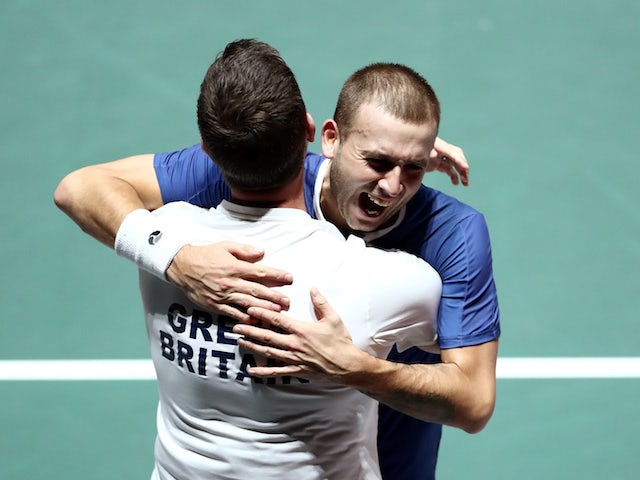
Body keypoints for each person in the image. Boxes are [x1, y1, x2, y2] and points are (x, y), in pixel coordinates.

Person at [54, 46, 500, 480]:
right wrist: (176, 260)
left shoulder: (453, 234)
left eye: (414, 168)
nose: (392, 187)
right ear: (328, 138)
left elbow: (474, 401)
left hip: (395, 449)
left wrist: (355, 368)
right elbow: (82, 188)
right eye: (377, 161)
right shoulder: (262, 167)